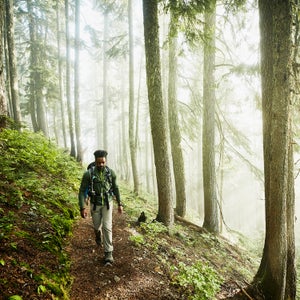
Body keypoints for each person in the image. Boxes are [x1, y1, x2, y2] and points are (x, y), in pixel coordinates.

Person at [78, 150, 123, 264]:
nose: (101, 165)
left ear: (105, 161)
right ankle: (97, 234)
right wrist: (82, 207)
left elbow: (116, 188)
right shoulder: (88, 174)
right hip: (94, 204)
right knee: (97, 226)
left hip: (108, 203)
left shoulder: (111, 173)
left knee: (107, 227)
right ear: (95, 161)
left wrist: (119, 204)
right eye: (99, 163)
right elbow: (82, 190)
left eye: (103, 162)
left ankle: (108, 254)